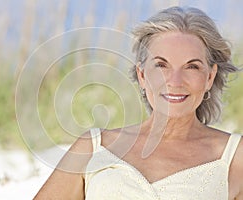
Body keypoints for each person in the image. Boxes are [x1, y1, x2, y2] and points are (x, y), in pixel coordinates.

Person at [34, 6, 243, 199]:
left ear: (209, 77)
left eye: (192, 67)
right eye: (161, 65)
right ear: (142, 75)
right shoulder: (94, 146)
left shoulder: (234, 156)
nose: (175, 81)